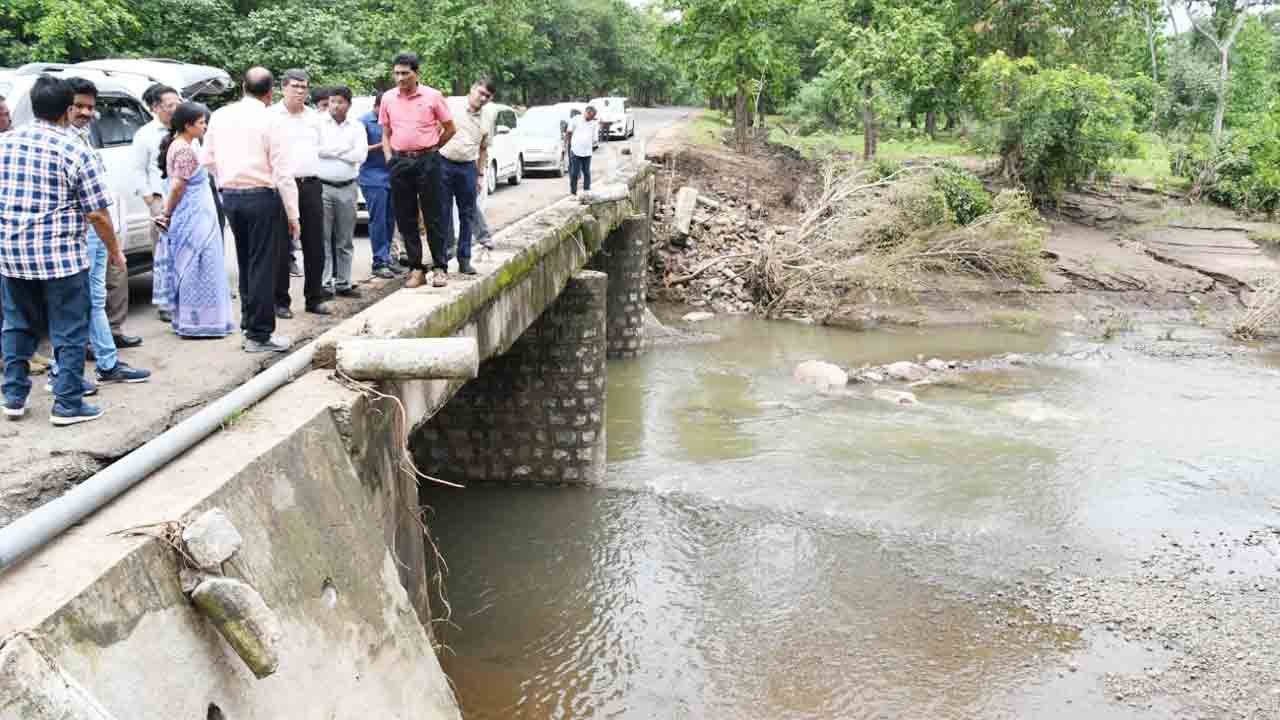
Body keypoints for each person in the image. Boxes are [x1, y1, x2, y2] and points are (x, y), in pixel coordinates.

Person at [0, 76, 127, 424]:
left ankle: (13, 396)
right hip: (61, 258)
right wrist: (114, 250)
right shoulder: (75, 150)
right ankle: (68, 403)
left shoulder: (5, 143)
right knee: (69, 328)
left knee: (16, 324)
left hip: (12, 255)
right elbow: (97, 213)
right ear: (67, 110)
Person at [49, 77, 151, 390]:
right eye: (78, 106)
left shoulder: (80, 137)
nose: (85, 112)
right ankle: (65, 372)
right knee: (77, 302)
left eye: (89, 107)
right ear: (64, 106)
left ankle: (104, 363)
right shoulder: (61, 141)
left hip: (91, 230)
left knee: (92, 299)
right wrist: (112, 244)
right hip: (78, 231)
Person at [201, 66, 297, 353]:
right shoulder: (272, 119)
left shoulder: (220, 115)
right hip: (261, 196)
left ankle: (249, 325)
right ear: (270, 93)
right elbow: (282, 171)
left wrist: (228, 181)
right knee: (262, 266)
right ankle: (259, 334)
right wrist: (293, 214)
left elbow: (207, 159)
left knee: (246, 264)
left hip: (231, 196)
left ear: (243, 87)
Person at [156, 102, 234, 338]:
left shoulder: (183, 145)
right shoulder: (184, 150)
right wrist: (167, 214)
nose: (205, 126)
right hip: (193, 216)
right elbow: (178, 186)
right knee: (198, 265)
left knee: (196, 264)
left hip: (197, 214)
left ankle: (195, 320)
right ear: (188, 125)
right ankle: (199, 322)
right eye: (201, 122)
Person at [380, 52, 456, 288]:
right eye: (397, 73)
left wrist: (433, 149)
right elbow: (386, 133)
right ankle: (416, 269)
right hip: (400, 162)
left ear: (416, 73)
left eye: (405, 73)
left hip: (428, 160)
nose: (400, 78)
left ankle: (440, 267)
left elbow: (450, 128)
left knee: (434, 215)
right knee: (405, 216)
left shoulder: (432, 96)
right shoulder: (388, 98)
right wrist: (390, 159)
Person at [273, 69, 330, 316]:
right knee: (280, 245)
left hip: (310, 185)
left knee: (315, 243)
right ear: (283, 88)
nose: (299, 91)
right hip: (280, 186)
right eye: (295, 86)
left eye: (303, 87)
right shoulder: (271, 116)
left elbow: (321, 148)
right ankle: (280, 301)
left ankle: (314, 298)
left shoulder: (315, 118)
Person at [133, 83, 180, 326]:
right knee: (163, 253)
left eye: (177, 103)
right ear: (155, 107)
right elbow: (138, 170)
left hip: (185, 200)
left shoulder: (184, 128)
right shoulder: (145, 134)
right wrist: (150, 199)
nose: (174, 108)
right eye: (169, 105)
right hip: (161, 200)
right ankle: (165, 303)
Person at [438, 77, 495, 276]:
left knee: (467, 214)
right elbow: (435, 130)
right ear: (472, 89)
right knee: (443, 213)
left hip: (468, 167)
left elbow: (484, 149)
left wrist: (479, 175)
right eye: (481, 93)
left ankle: (464, 259)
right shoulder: (451, 106)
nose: (483, 98)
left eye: (487, 96)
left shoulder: (488, 118)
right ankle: (443, 260)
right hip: (444, 163)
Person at [316, 86, 366, 298]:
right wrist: (344, 151)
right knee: (323, 238)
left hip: (347, 187)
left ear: (348, 104)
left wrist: (331, 152)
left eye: (340, 102)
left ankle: (344, 282)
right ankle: (325, 283)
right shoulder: (318, 124)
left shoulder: (356, 126)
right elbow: (316, 151)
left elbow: (360, 155)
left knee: (345, 239)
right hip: (323, 187)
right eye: (332, 102)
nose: (335, 106)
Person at [359, 93, 405, 280]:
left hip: (391, 176)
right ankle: (379, 261)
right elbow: (360, 150)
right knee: (378, 220)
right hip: (372, 178)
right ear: (378, 106)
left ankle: (388, 258)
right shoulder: (364, 122)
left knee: (389, 220)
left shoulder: (393, 121)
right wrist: (384, 144)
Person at [566, 105, 597, 196]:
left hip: (587, 152)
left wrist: (593, 145)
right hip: (576, 151)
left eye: (593, 117)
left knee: (587, 172)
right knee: (575, 173)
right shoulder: (576, 119)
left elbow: (594, 137)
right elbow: (569, 132)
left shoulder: (593, 123)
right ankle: (573, 192)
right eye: (591, 116)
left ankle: (586, 191)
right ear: (586, 112)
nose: (591, 118)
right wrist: (569, 145)